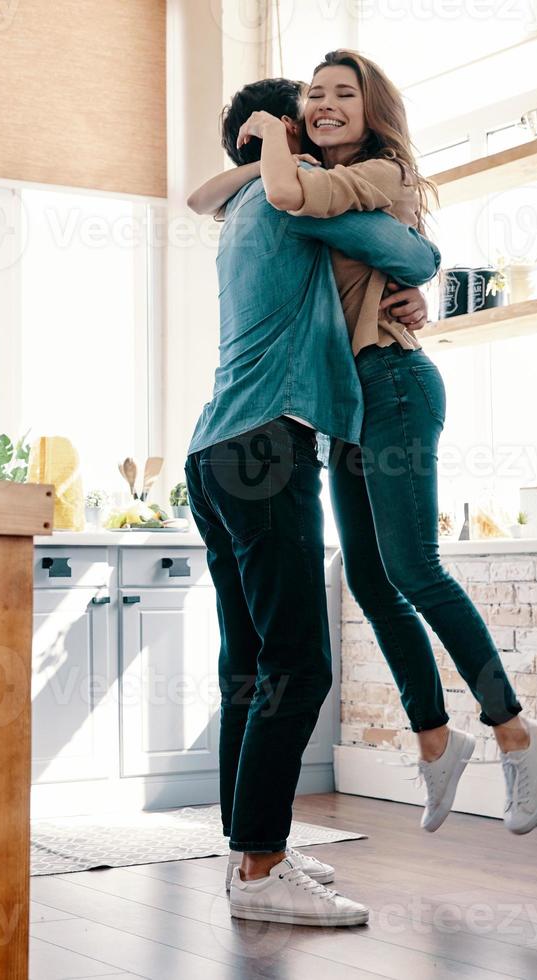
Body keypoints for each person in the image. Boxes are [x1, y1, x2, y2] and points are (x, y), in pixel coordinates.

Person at [189, 51, 537, 840]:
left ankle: (514, 733)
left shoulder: (365, 178)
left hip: (392, 383)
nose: (325, 104)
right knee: (370, 580)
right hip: (346, 402)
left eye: (341, 94)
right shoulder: (291, 189)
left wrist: (422, 275)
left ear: (369, 108)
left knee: (413, 567)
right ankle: (433, 740)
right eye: (314, 95)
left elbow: (416, 257)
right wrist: (267, 150)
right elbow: (211, 194)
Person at [184, 76, 440, 928]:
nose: (327, 126)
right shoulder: (291, 201)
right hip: (266, 445)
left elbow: (201, 194)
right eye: (309, 117)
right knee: (301, 666)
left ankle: (247, 855)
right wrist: (423, 277)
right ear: (284, 136)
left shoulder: (242, 212)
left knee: (250, 671)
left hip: (213, 450)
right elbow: (412, 255)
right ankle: (261, 868)